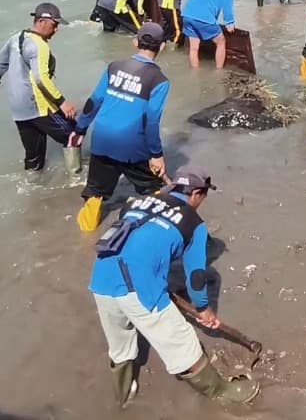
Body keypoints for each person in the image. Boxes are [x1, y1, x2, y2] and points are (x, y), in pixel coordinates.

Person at [90, 167, 259, 406]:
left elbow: (136, 243)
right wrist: (203, 309)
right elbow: (197, 276)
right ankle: (222, 393)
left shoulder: (137, 202)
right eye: (203, 196)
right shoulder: (194, 224)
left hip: (101, 278)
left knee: (120, 345)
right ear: (196, 194)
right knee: (182, 342)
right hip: (139, 289)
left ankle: (124, 396)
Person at [72, 23, 170, 231]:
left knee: (95, 192)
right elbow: (151, 122)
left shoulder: (113, 67)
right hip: (132, 145)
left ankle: (85, 237)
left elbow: (94, 101)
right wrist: (156, 154)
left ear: (135, 42)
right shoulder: (159, 81)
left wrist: (80, 129)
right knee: (154, 188)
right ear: (162, 47)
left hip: (102, 139)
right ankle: (154, 229)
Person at [0, 3, 77, 172]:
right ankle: (77, 179)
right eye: (54, 25)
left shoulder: (16, 38)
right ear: (41, 21)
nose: (56, 30)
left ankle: (33, 190)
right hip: (38, 105)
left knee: (33, 156)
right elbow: (40, 79)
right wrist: (62, 102)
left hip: (19, 109)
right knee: (74, 135)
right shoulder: (39, 45)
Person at [181, 0, 238, 69]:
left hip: (187, 14)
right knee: (221, 41)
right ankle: (218, 73)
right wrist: (229, 21)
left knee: (194, 47)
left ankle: (195, 73)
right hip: (204, 17)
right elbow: (227, 0)